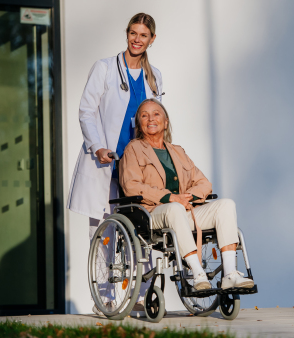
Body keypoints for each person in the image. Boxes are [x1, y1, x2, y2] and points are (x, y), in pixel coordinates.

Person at [66, 13, 163, 316]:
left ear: (151, 40)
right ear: (127, 34)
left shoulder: (154, 76)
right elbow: (86, 110)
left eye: (143, 35)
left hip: (137, 168)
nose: (137, 39)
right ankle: (106, 298)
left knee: (142, 231)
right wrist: (97, 147)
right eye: (133, 33)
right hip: (106, 161)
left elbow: (158, 119)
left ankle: (141, 295)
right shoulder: (105, 68)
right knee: (105, 232)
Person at [119, 98, 254, 290]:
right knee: (174, 208)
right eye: (144, 115)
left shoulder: (178, 151)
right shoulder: (133, 149)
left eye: (156, 114)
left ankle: (230, 274)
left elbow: (203, 183)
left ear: (166, 122)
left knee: (226, 205)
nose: (151, 119)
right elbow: (131, 186)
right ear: (139, 124)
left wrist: (187, 197)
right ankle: (198, 274)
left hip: (183, 211)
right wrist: (171, 198)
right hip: (152, 213)